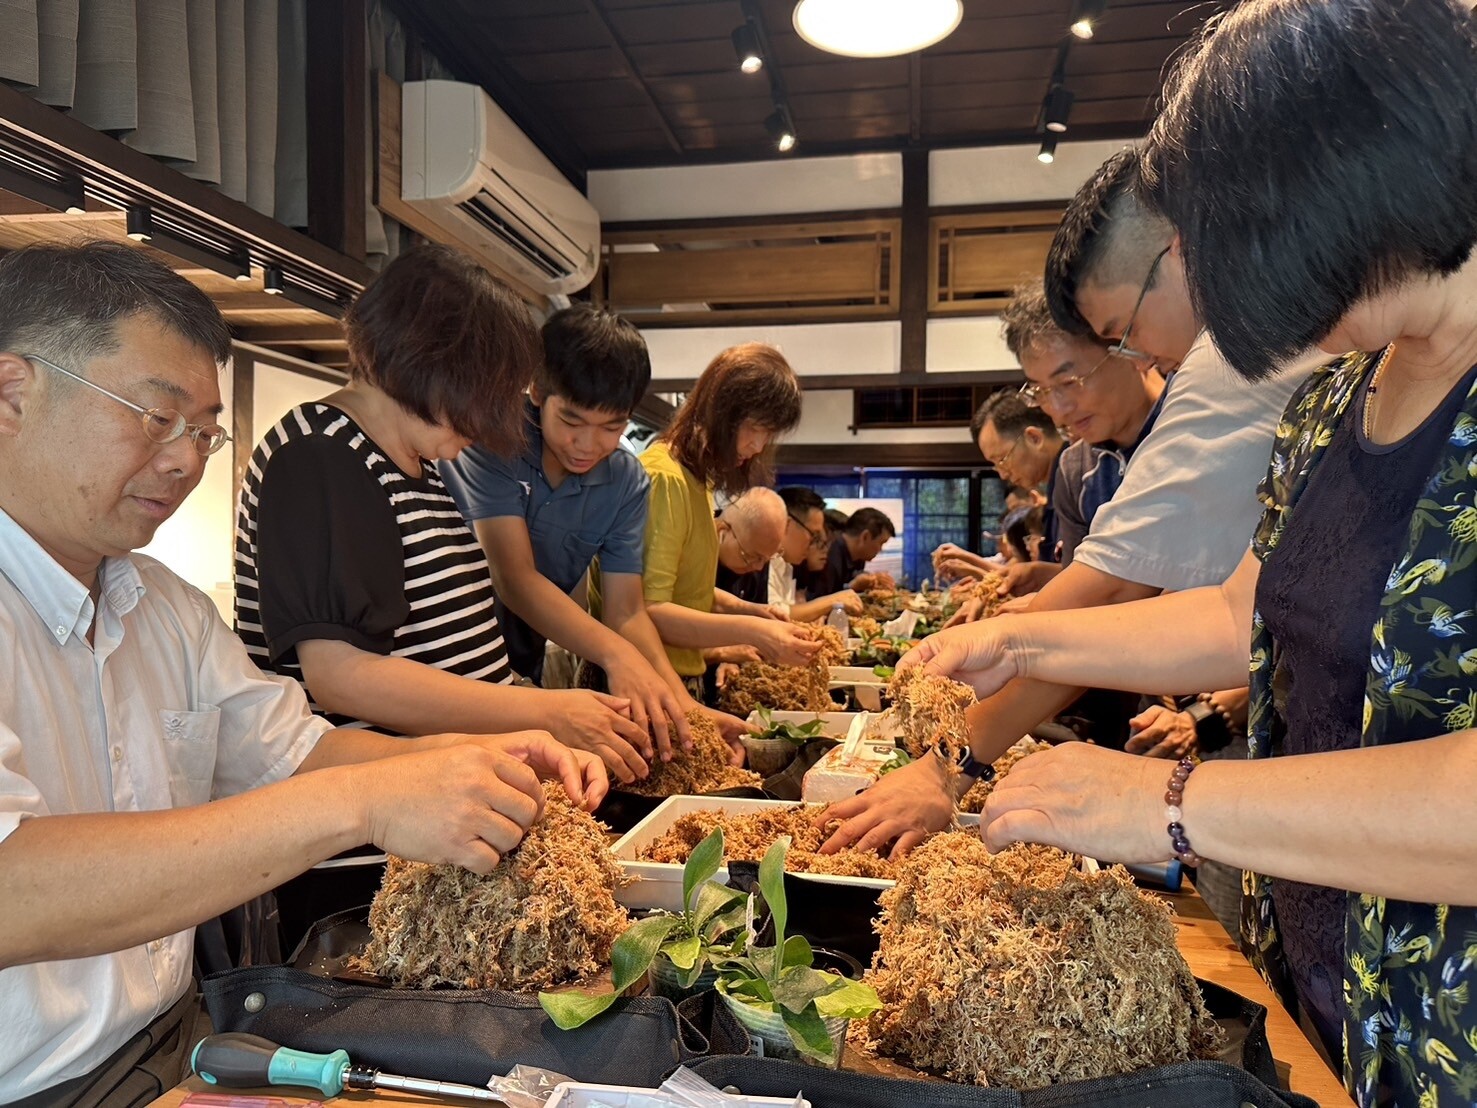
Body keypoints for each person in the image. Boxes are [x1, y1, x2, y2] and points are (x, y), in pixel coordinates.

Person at [905, 1, 1477, 1102]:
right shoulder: (1331, 400)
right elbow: (1235, 617)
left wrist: (1168, 799)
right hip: (1318, 993)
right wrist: (1024, 637)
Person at [0, 242, 604, 1104]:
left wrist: (488, 753)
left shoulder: (164, 609)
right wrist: (367, 801)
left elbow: (297, 751)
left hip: (180, 1045)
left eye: (205, 431)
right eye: (153, 415)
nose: (184, 459)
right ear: (13, 393)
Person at [817, 148, 1320, 884]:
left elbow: (1120, 591)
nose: (1142, 355)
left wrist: (948, 760)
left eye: (1119, 333)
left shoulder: (1236, 356)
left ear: (1178, 252)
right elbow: (1227, 612)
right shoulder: (1271, 363)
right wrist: (1013, 642)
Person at [234, 247, 649, 940]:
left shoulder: (417, 463)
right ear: (434, 369)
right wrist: (540, 708)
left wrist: (535, 728)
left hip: (445, 815)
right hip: (374, 840)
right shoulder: (321, 452)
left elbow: (452, 647)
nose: (484, 427)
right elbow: (340, 678)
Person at [439, 305, 694, 755]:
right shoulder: (491, 442)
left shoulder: (626, 482)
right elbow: (514, 579)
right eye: (572, 421)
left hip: (522, 663)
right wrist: (617, 655)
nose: (588, 444)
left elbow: (627, 612)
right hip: (444, 666)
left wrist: (682, 705)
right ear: (538, 390)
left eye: (612, 427)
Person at [590, 343, 819, 702]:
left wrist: (750, 610)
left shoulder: (698, 482)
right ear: (720, 411)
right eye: (754, 428)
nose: (758, 446)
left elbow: (686, 589)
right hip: (642, 686)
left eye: (768, 434)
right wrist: (753, 631)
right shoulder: (663, 478)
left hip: (675, 679)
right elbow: (649, 609)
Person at [770, 486, 864, 622]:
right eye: (814, 535)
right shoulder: (767, 561)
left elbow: (787, 613)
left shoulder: (786, 564)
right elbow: (774, 615)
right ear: (787, 524)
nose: (812, 544)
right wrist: (833, 600)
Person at [713, 487, 788, 608]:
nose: (759, 567)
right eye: (750, 556)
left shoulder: (760, 551)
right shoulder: (693, 547)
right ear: (722, 531)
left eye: (767, 559)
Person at [808, 507, 897, 597]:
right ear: (865, 537)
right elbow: (817, 601)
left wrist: (871, 579)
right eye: (881, 543)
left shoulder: (859, 556)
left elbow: (855, 579)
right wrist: (851, 587)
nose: (881, 549)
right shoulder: (829, 555)